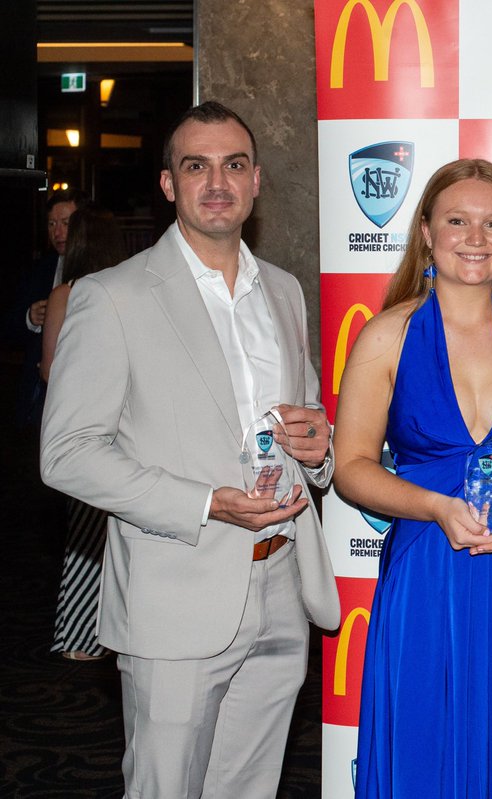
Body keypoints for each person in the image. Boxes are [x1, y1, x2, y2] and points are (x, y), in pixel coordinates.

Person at [40, 101, 339, 798]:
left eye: (234, 165)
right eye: (196, 166)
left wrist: (319, 445)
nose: (217, 182)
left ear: (257, 180)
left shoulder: (285, 293)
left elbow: (309, 421)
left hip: (283, 583)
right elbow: (67, 453)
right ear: (168, 184)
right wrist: (204, 504)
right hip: (175, 593)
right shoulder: (112, 297)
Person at [333, 158, 492, 797]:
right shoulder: (384, 337)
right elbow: (351, 468)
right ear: (425, 232)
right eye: (457, 220)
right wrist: (436, 507)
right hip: (428, 567)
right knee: (427, 740)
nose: (475, 237)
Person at [39, 205, 127, 661]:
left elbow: (52, 369)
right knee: (124, 531)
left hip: (84, 431)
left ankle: (79, 639)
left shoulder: (67, 293)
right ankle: (119, 630)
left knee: (87, 536)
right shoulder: (131, 289)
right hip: (127, 429)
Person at [9, 189, 84, 426]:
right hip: (40, 396)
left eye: (65, 223)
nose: (58, 232)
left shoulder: (98, 270)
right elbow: (8, 328)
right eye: (52, 224)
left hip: (81, 395)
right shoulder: (41, 269)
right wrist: (30, 318)